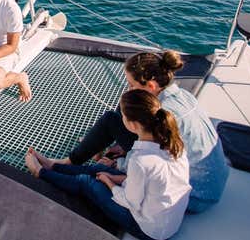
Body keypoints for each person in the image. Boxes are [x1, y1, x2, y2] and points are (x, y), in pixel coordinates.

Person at [30, 51, 228, 213]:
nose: (128, 88)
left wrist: (120, 163)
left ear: (150, 85)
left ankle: (70, 161)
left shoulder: (164, 114)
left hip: (193, 196)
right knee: (125, 104)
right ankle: (95, 146)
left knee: (111, 119)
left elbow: (154, 159)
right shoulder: (182, 96)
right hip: (212, 185)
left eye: (132, 84)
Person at [25, 89, 191, 240]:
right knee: (98, 168)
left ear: (133, 125)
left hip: (149, 229)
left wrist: (109, 181)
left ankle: (41, 172)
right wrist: (113, 176)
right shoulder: (174, 144)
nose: (121, 118)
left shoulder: (141, 160)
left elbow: (130, 202)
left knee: (87, 182)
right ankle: (53, 166)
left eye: (123, 116)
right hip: (165, 217)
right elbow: (150, 181)